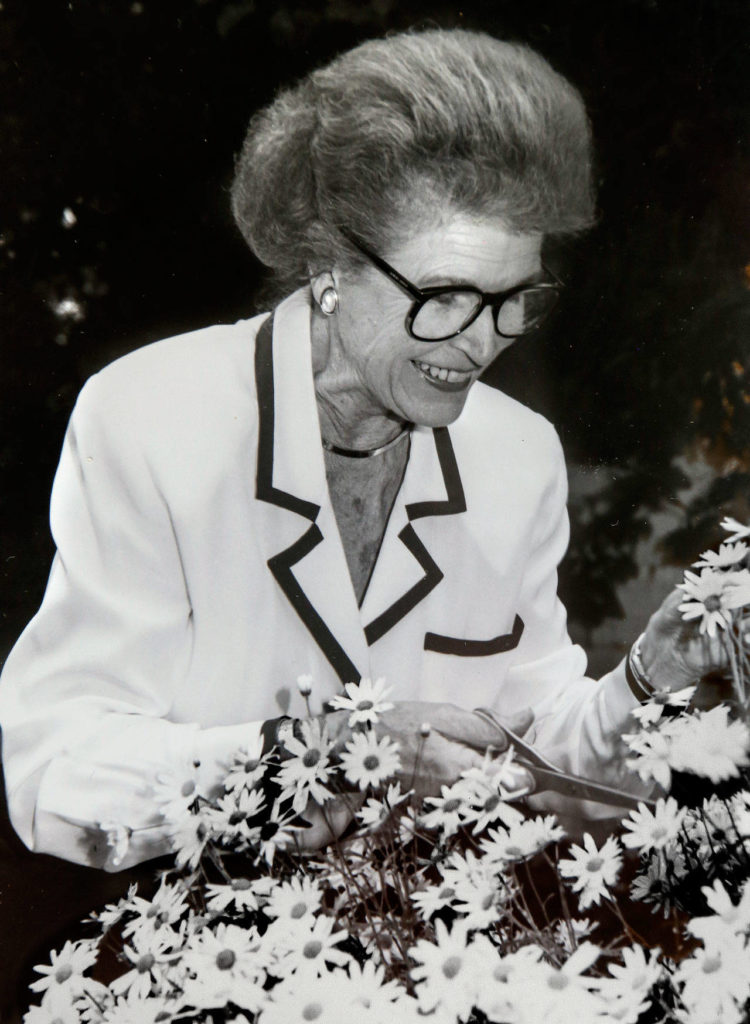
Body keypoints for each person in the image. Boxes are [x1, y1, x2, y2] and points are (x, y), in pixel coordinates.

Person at [0, 28, 720, 871]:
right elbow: (57, 770)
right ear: (330, 266)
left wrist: (650, 675)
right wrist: (326, 749)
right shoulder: (150, 417)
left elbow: (538, 764)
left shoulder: (518, 456)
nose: (484, 342)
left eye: (514, 299)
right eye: (444, 296)